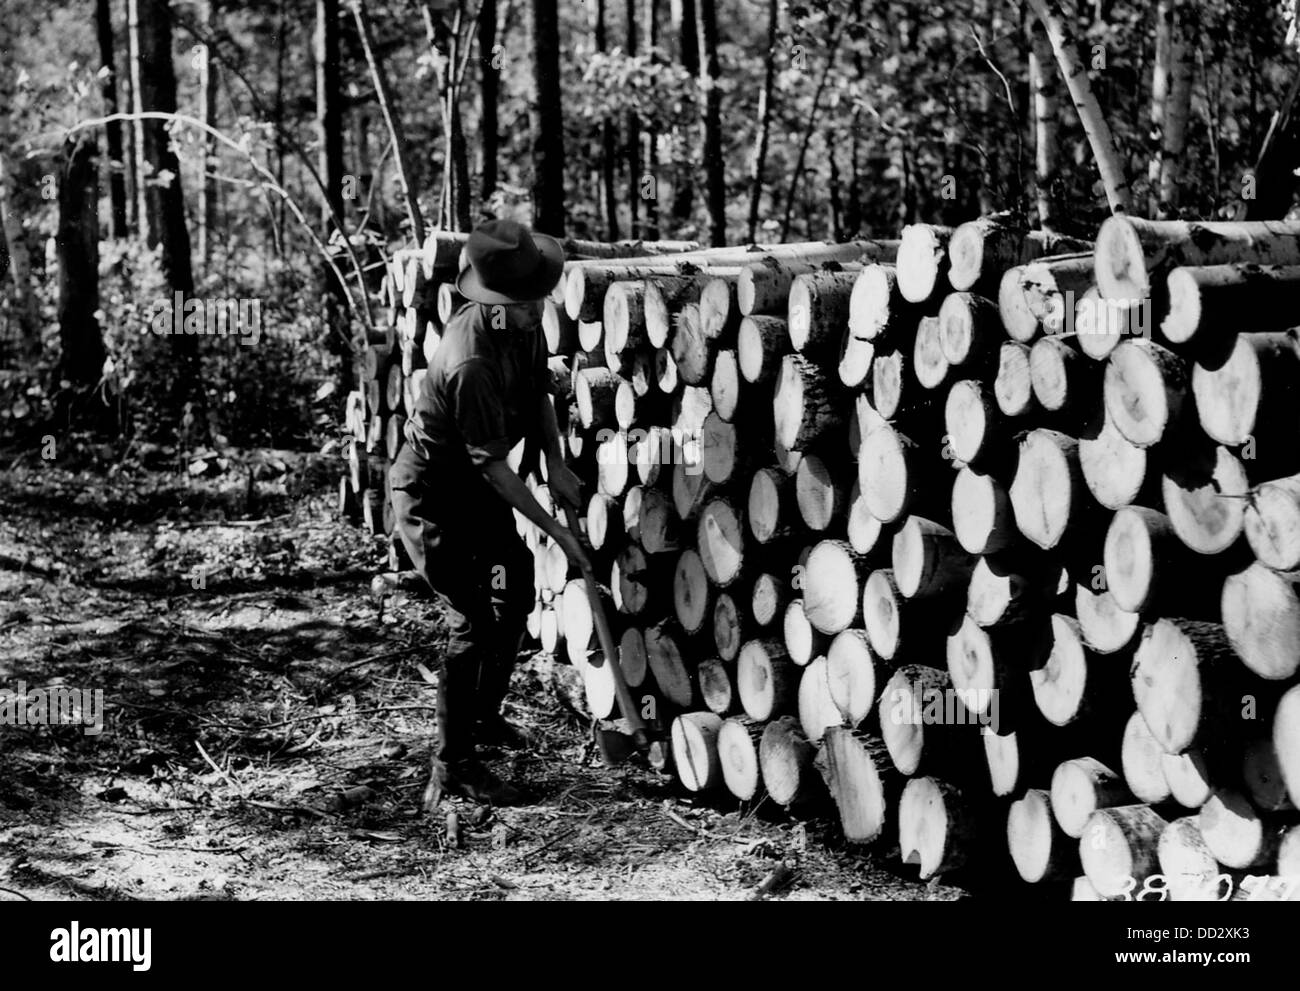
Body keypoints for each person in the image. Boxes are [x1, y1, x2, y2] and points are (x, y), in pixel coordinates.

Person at [389, 219, 591, 810]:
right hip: (435, 499)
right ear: (498, 301)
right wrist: (556, 531)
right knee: (472, 620)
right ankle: (453, 764)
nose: (541, 309)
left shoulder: (522, 325)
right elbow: (494, 467)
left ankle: (482, 716)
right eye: (531, 303)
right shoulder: (469, 361)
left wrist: (555, 463)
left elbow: (536, 394)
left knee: (516, 587)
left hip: (477, 491)